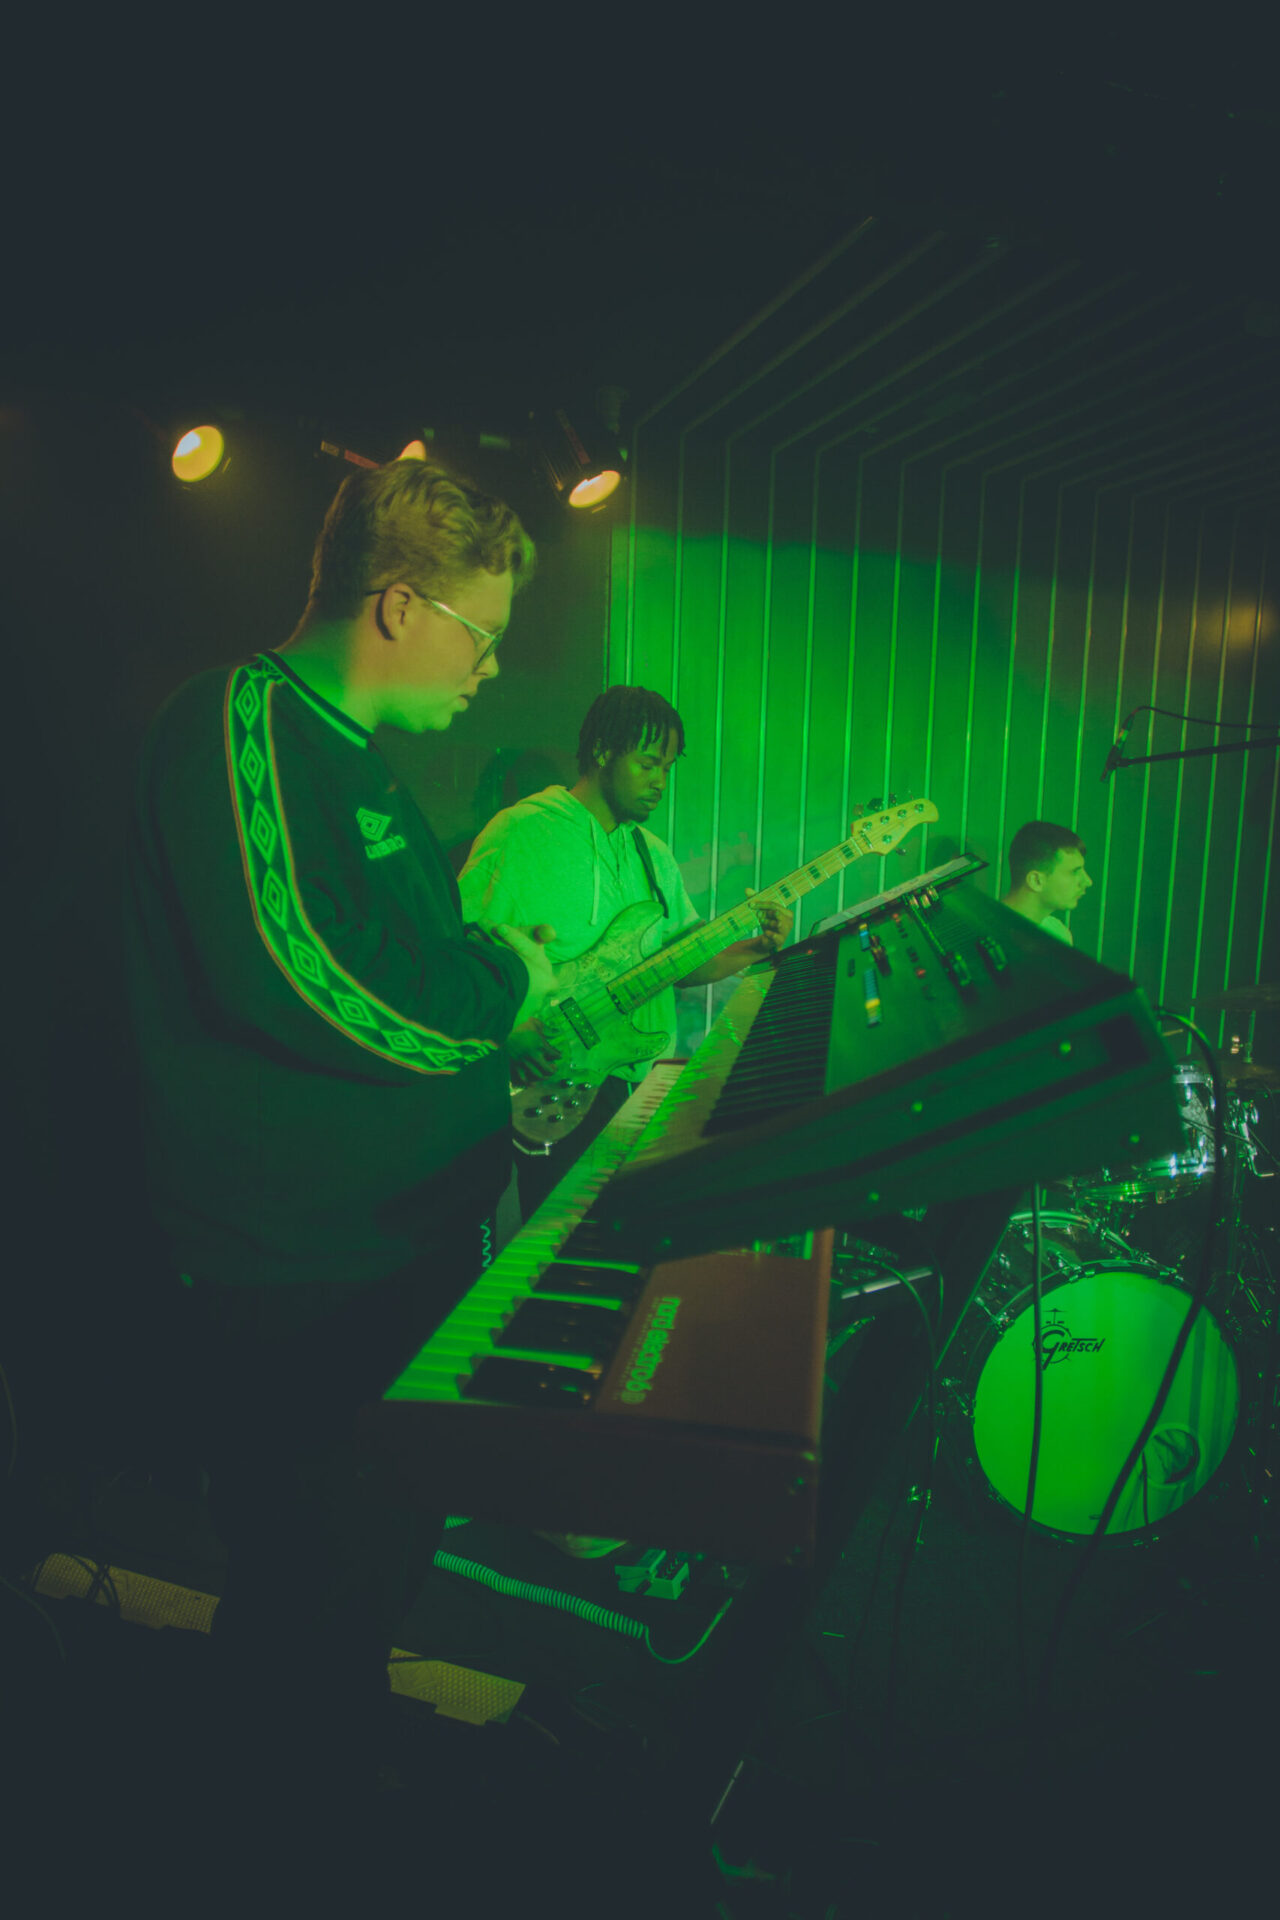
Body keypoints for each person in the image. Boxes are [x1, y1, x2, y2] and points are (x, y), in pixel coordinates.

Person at [122, 458, 557, 1806]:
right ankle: (267, 1825)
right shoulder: (236, 721)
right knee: (304, 1582)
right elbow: (313, 975)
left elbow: (396, 963)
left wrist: (484, 974)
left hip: (387, 1255)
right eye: (483, 633)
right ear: (399, 604)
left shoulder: (355, 763)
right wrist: (505, 979)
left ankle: (325, 1778)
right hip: (298, 1276)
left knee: (365, 1574)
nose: (492, 667)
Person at [457, 685, 792, 1224]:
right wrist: (509, 1034)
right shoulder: (522, 832)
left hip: (636, 1085)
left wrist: (755, 947)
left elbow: (680, 966)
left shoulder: (652, 856)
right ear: (601, 752)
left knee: (620, 1241)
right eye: (648, 764)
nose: (660, 782)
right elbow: (461, 951)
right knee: (558, 1245)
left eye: (668, 768)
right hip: (553, 1081)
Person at [1001, 819, 1092, 945]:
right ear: (1036, 881)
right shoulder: (985, 933)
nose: (1088, 882)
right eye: (1074, 872)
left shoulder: (1057, 933)